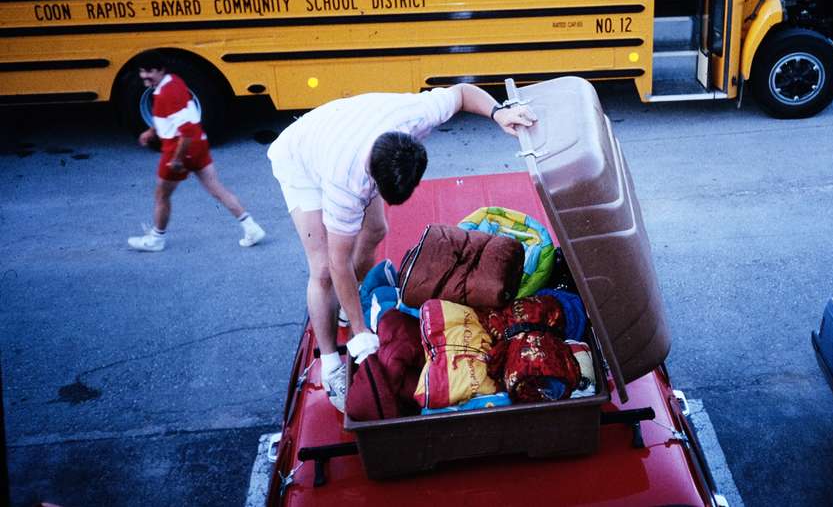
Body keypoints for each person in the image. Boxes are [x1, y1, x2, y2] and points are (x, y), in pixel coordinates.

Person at [266, 84, 536, 411]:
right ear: (372, 179)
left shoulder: (415, 118)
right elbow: (339, 264)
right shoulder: (346, 184)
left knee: (377, 228)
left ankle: (353, 300)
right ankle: (330, 362)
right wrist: (361, 334)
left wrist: (498, 112)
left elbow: (464, 92)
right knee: (323, 269)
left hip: (344, 131)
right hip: (300, 157)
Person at [127, 52, 265, 252]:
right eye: (142, 71)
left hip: (179, 149)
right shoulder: (173, 82)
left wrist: (177, 160)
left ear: (161, 70)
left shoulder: (166, 93)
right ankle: (251, 227)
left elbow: (186, 131)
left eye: (150, 71)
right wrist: (151, 131)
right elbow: (177, 119)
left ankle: (156, 238)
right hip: (199, 145)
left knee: (161, 196)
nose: (145, 76)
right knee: (217, 189)